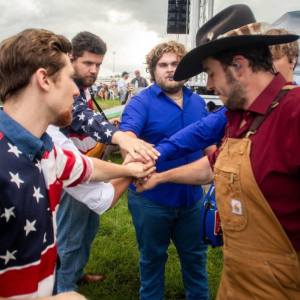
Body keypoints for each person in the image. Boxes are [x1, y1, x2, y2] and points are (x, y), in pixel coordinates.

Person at [135, 5, 300, 300]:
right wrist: (161, 178)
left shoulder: (294, 114)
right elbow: (214, 163)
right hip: (237, 282)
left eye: (211, 73)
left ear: (238, 65)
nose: (208, 85)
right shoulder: (240, 116)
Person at [0, 28, 154, 299]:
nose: (76, 91)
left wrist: (129, 169)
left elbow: (86, 168)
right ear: (44, 79)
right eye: (70, 78)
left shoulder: (46, 147)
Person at [120, 41, 224, 300]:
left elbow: (207, 142)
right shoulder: (140, 102)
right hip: (151, 199)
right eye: (162, 65)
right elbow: (128, 137)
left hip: (192, 198)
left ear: (185, 68)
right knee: (152, 259)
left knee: (196, 258)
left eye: (175, 64)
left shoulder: (198, 102)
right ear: (152, 70)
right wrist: (132, 157)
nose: (169, 70)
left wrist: (220, 173)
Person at [57, 32, 160, 293]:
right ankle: (63, 290)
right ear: (71, 59)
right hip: (73, 174)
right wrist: (121, 138)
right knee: (70, 236)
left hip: (91, 168)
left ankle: (76, 274)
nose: (93, 70)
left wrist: (111, 127)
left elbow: (90, 118)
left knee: (88, 227)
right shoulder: (65, 87)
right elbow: (82, 117)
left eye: (98, 64)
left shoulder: (84, 85)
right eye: (87, 63)